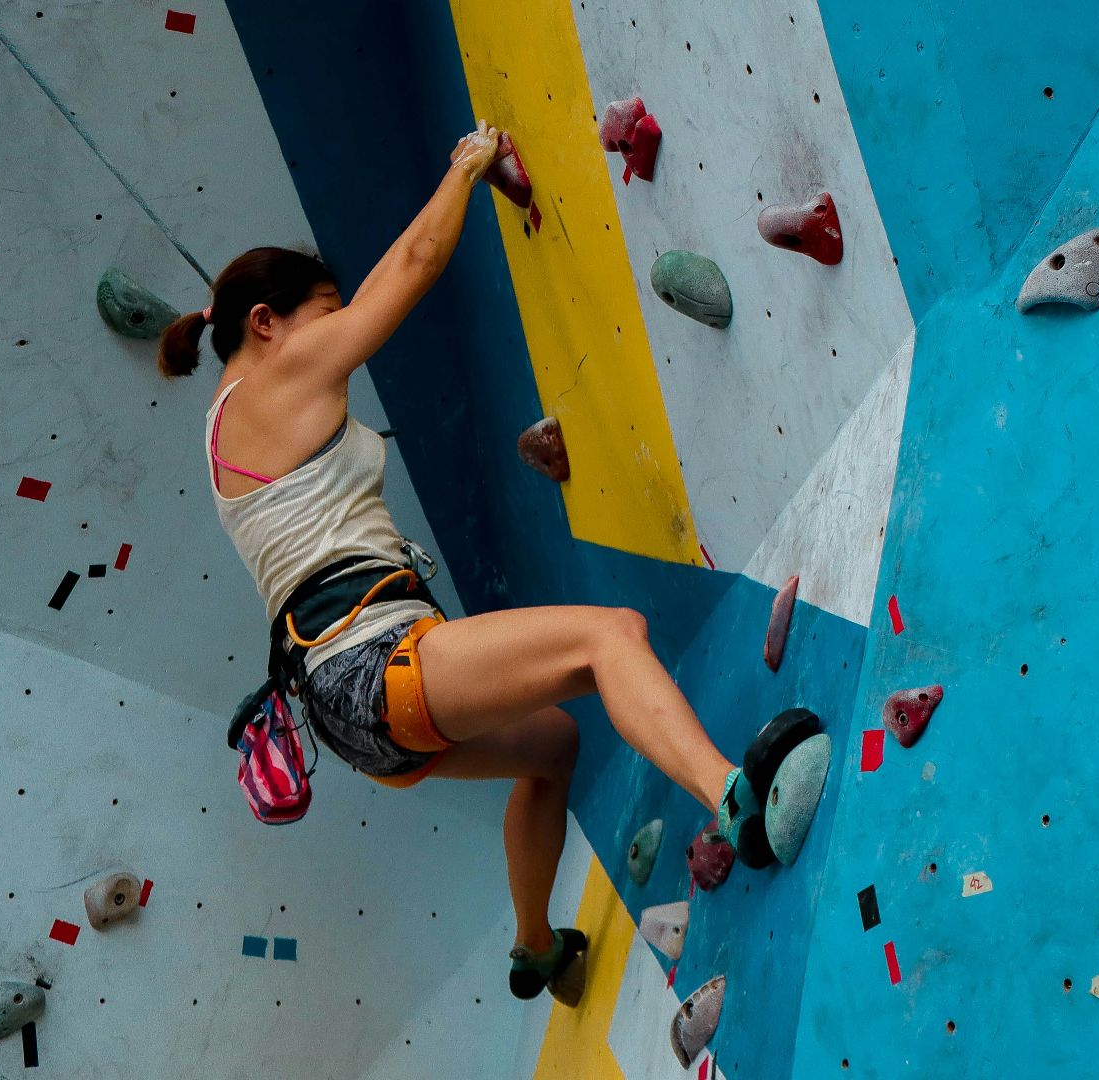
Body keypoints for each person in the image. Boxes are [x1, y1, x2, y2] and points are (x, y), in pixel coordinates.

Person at [158, 122, 764, 1002]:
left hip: (346, 710)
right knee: (611, 636)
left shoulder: (226, 430)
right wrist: (467, 166)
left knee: (553, 744)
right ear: (267, 324)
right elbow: (408, 270)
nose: (336, 337)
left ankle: (534, 949)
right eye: (321, 316)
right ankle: (731, 795)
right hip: (372, 665)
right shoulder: (271, 381)